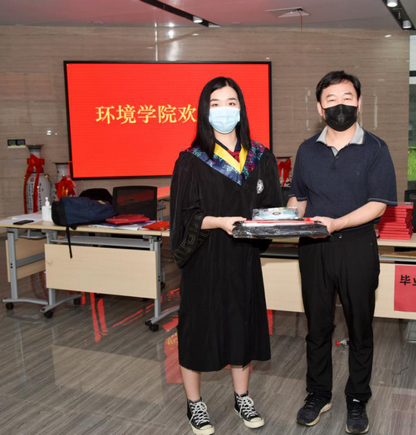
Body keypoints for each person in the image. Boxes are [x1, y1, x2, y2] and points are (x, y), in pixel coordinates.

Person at [170, 76, 282, 435]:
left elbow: (270, 209)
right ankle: (195, 403)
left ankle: (242, 396)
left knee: (242, 326)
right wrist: (218, 222)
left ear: (241, 108)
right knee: (197, 330)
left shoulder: (261, 157)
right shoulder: (191, 160)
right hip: (205, 258)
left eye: (231, 102)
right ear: (204, 111)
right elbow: (183, 217)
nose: (224, 110)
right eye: (215, 103)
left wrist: (282, 219)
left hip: (244, 258)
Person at [287, 71, 397, 434]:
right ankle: (318, 394)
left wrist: (337, 223)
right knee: (317, 327)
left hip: (357, 247)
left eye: (347, 98)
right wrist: (283, 217)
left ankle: (357, 397)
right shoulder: (307, 150)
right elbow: (299, 198)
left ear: (359, 103)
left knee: (360, 327)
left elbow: (378, 204)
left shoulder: (376, 148)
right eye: (331, 100)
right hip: (314, 248)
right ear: (320, 108)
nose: (340, 106)